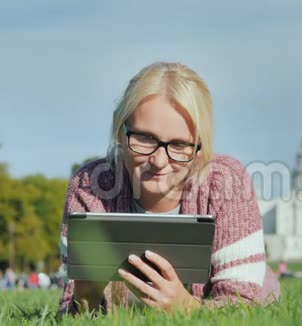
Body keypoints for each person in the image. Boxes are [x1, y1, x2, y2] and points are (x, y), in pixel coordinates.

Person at [58, 62, 281, 315]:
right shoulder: (90, 185)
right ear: (120, 133)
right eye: (143, 138)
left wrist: (185, 306)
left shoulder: (228, 182)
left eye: (178, 145)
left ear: (199, 147)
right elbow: (71, 311)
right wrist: (85, 298)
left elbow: (243, 305)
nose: (159, 161)